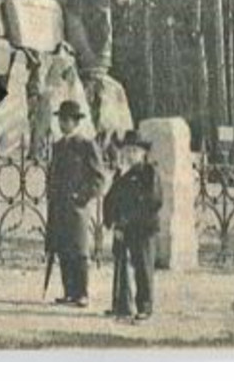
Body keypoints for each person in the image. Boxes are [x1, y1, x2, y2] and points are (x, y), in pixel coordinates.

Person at [45, 99, 104, 308]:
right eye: (61, 119)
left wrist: (82, 197)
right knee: (62, 248)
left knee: (79, 250)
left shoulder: (86, 146)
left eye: (67, 120)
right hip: (59, 206)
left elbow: (98, 178)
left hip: (77, 208)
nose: (63, 123)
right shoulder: (58, 146)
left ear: (76, 122)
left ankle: (82, 293)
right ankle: (68, 292)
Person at [103, 129, 163, 322]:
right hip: (124, 228)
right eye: (127, 150)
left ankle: (145, 307)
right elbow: (111, 198)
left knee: (143, 267)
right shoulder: (122, 174)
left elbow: (153, 200)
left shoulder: (149, 172)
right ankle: (121, 305)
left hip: (143, 228)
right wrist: (110, 220)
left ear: (143, 153)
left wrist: (128, 219)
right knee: (121, 265)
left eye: (134, 151)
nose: (130, 154)